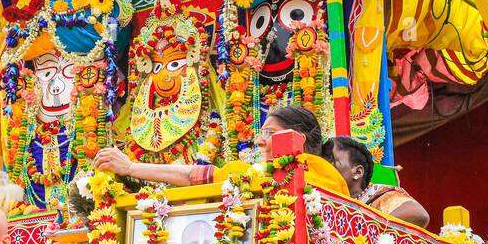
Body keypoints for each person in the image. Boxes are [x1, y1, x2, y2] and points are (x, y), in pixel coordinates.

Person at [93, 103, 349, 198]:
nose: (260, 142)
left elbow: (195, 175)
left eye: (269, 133)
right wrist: (129, 169)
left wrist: (131, 168)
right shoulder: (249, 172)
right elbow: (197, 176)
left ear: (298, 139)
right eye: (261, 134)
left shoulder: (320, 172)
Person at [328, 133, 430, 228]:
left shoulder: (380, 196)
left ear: (358, 172)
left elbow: (420, 215)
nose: (324, 166)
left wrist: (364, 228)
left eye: (332, 161)